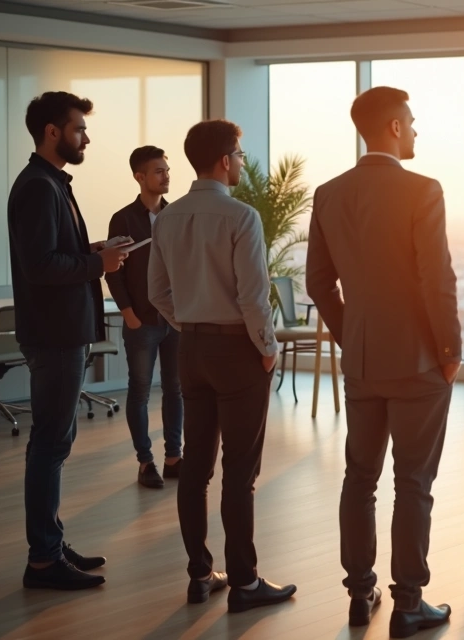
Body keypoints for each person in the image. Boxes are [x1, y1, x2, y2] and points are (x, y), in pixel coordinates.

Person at [305, 86, 460, 639]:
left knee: (359, 477)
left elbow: (318, 282)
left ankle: (359, 591)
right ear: (393, 127)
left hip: (364, 359)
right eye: (412, 123)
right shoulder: (423, 190)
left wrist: (352, 336)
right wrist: (450, 351)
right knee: (413, 481)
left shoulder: (328, 193)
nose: (416, 131)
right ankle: (409, 601)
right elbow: (436, 278)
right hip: (419, 360)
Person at [149, 120, 295, 613]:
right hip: (238, 352)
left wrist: (189, 323)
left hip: (190, 350)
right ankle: (246, 583)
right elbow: (253, 298)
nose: (243, 162)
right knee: (240, 472)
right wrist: (268, 346)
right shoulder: (241, 216)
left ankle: (199, 573)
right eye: (240, 154)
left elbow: (156, 293)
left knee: (194, 468)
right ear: (223, 160)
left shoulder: (167, 218)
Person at [10, 91, 127, 590]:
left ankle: (51, 542)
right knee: (50, 446)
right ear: (53, 132)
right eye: (79, 128)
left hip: (62, 332)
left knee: (53, 444)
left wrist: (92, 250)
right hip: (56, 336)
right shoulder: (39, 186)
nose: (86, 137)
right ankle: (43, 559)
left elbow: (56, 253)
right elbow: (41, 268)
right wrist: (95, 264)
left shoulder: (52, 182)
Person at [106, 145, 182, 489]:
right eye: (159, 171)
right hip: (141, 321)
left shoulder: (177, 214)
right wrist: (129, 314)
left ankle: (174, 458)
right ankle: (145, 461)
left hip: (176, 319)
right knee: (139, 392)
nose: (166, 175)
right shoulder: (123, 219)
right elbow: (113, 272)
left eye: (167, 170)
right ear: (140, 176)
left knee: (175, 390)